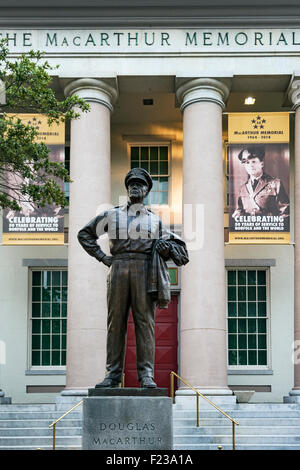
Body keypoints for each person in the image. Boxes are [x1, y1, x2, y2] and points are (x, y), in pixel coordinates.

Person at [77, 168, 189, 388]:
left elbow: (174, 247)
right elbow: (84, 234)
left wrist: (166, 249)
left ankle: (146, 374)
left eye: (140, 184)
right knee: (115, 323)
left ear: (147, 190)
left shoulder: (154, 221)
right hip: (118, 267)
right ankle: (113, 374)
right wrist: (103, 257)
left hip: (144, 270)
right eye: (132, 184)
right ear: (127, 188)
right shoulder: (111, 215)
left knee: (145, 323)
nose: (135, 187)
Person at [232, 146, 289, 226]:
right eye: (247, 163)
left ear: (262, 164)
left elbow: (285, 213)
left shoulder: (276, 184)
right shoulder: (243, 188)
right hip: (249, 231)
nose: (250, 165)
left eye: (254, 161)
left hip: (270, 232)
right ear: (244, 166)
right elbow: (240, 209)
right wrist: (238, 214)